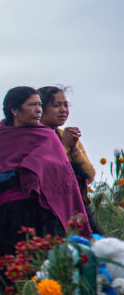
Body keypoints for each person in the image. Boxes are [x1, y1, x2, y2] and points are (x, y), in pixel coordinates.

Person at [0, 86, 91, 295]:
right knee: (3, 272)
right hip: (6, 218)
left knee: (41, 270)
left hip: (41, 216)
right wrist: (20, 170)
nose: (39, 110)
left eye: (40, 105)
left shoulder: (47, 136)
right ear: (14, 110)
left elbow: (61, 177)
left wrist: (34, 169)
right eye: (33, 105)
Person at [39, 85, 100, 233]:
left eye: (65, 105)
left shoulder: (66, 135)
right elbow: (50, 174)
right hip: (49, 210)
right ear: (40, 109)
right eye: (56, 105)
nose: (63, 110)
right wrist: (64, 146)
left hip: (76, 206)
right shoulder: (36, 138)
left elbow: (89, 175)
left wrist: (74, 148)